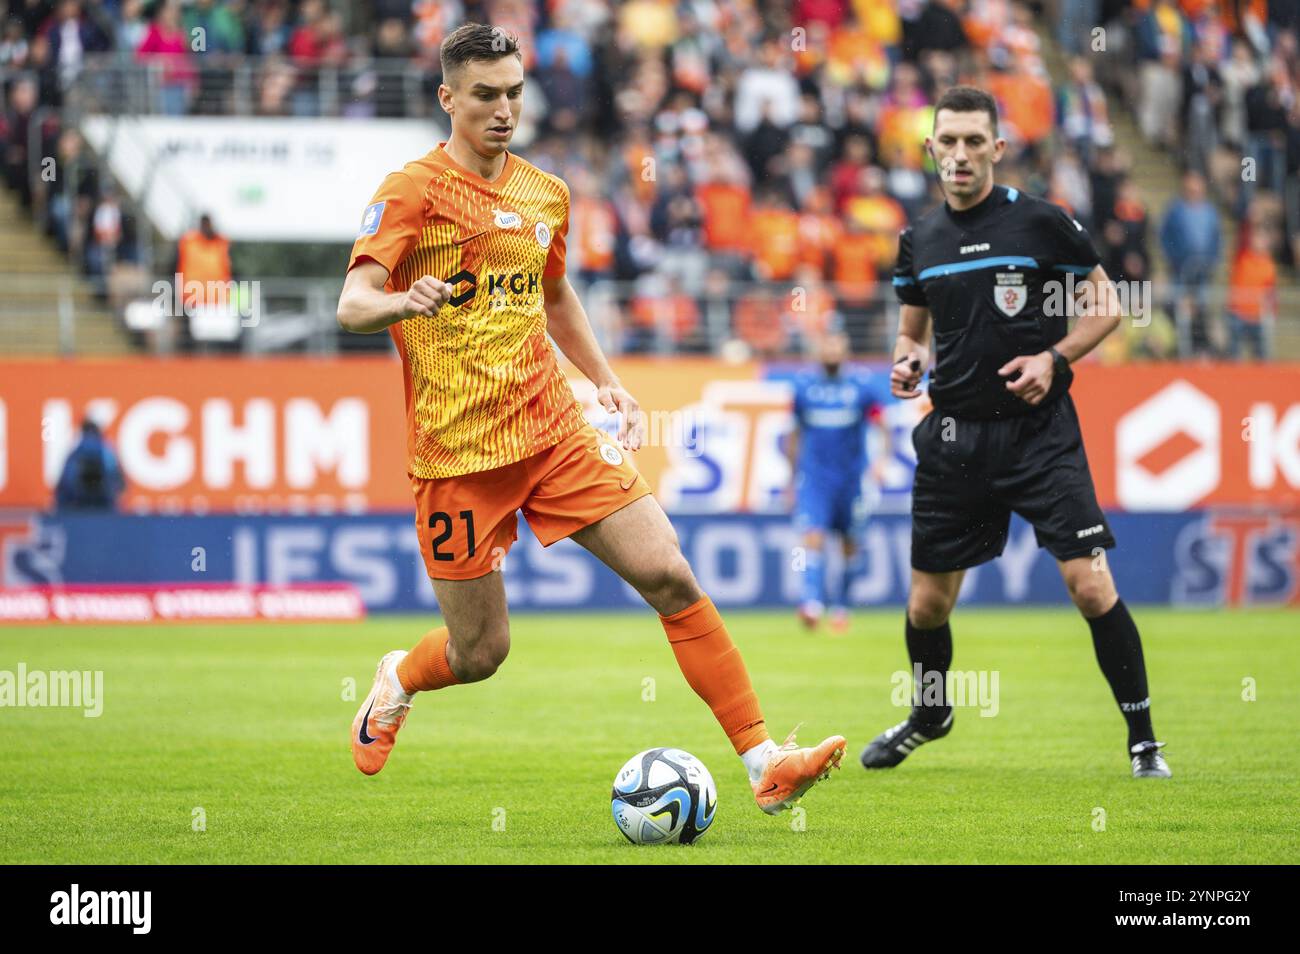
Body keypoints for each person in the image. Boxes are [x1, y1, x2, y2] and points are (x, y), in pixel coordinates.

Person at [335, 23, 845, 814]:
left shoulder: (547, 192)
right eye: (484, 96)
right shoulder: (412, 190)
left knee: (670, 573)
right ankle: (398, 677)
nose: (503, 110)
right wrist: (401, 300)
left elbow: (555, 291)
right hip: (456, 453)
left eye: (513, 93)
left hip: (552, 429)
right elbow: (352, 301)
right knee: (480, 652)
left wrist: (604, 380)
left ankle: (763, 761)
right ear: (447, 98)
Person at [864, 86, 1171, 779]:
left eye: (976, 141)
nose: (962, 154)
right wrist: (908, 360)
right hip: (954, 436)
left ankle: (1144, 740)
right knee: (927, 603)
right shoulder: (920, 240)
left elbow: (1107, 304)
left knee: (1090, 585)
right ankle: (930, 713)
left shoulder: (1040, 224)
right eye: (949, 142)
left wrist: (1053, 358)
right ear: (931, 149)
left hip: (1039, 432)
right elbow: (913, 330)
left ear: (998, 148)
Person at [786, 330, 891, 632]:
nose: (831, 350)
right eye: (826, 344)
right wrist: (791, 478)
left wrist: (882, 460)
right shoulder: (804, 387)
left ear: (845, 349)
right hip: (816, 480)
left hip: (852, 480)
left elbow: (882, 424)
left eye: (836, 344)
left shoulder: (862, 385)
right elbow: (795, 434)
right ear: (818, 350)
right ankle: (811, 603)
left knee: (849, 545)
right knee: (813, 537)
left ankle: (842, 606)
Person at [55, 419, 124, 511]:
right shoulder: (107, 451)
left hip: (75, 509)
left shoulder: (75, 453)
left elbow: (65, 483)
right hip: (105, 507)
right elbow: (119, 483)